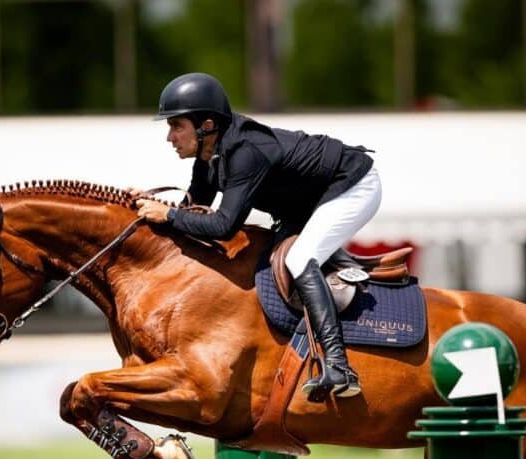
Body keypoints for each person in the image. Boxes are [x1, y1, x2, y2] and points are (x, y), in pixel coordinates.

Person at [136, 72, 381, 399]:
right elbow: (193, 209)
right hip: (307, 203)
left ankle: (338, 366)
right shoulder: (209, 157)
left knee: (299, 259)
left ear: (206, 125)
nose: (170, 137)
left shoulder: (245, 152)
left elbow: (224, 226)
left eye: (177, 126)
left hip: (352, 185)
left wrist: (167, 214)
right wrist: (144, 206)